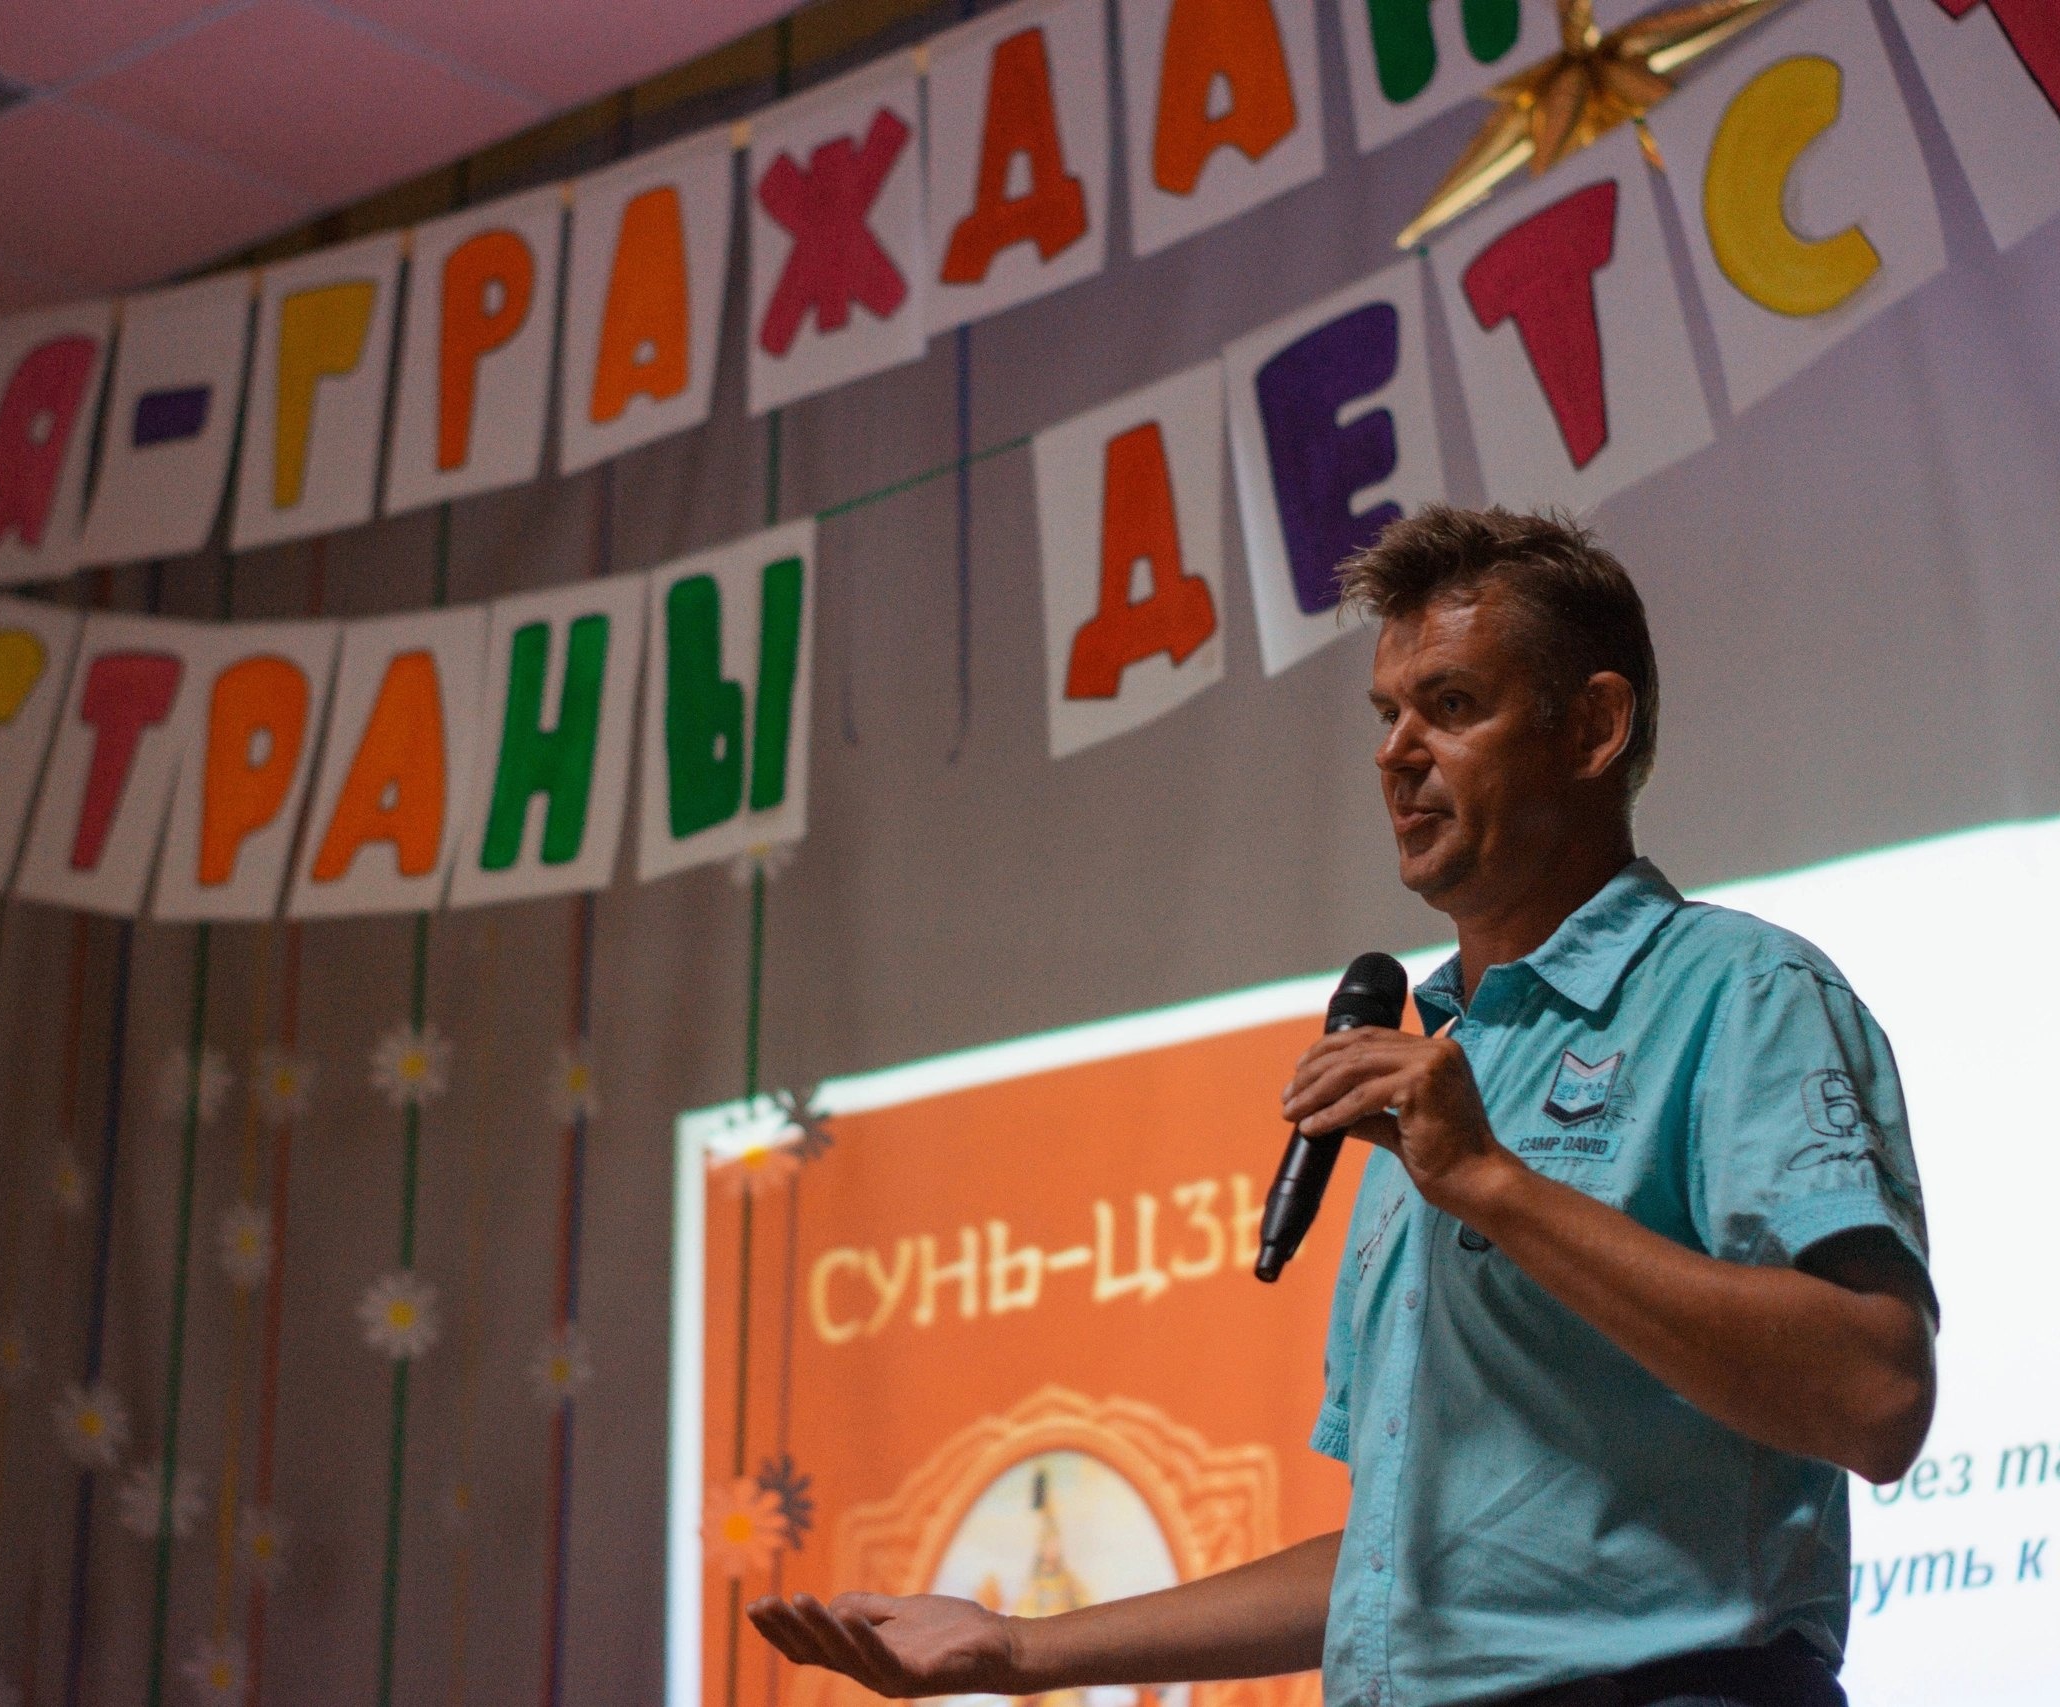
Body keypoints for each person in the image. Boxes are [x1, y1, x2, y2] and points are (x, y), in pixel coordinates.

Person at [747, 506, 1939, 1707]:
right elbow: (1394, 1573)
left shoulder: (1736, 993)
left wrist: (1494, 1186)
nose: (1395, 753)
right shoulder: (1439, 1083)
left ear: (1592, 726)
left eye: (1450, 706)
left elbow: (1877, 1398)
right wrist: (1020, 1650)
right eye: (1385, 715)